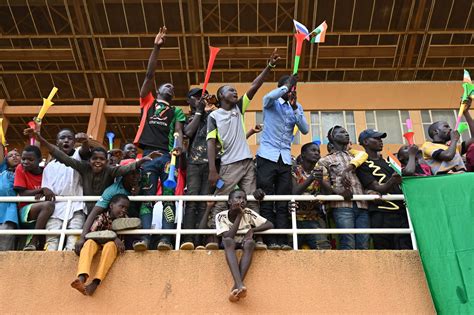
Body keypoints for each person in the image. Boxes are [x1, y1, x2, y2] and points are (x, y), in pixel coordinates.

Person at [206, 48, 280, 250]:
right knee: (221, 201)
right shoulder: (213, 116)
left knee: (252, 200)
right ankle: (215, 237)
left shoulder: (239, 108)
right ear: (221, 95)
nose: (235, 92)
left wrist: (269, 66)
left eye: (235, 91)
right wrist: (213, 169)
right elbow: (211, 143)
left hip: (247, 162)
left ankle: (255, 239)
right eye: (230, 90)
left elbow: (255, 86)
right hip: (229, 164)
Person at [133, 26, 186, 251]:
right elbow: (149, 74)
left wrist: (179, 148)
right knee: (146, 197)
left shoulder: (176, 111)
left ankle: (165, 238)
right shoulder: (148, 102)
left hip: (166, 158)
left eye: (173, 88)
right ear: (159, 89)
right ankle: (145, 238)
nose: (170, 87)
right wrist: (156, 47)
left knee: (168, 197)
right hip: (146, 156)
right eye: (167, 85)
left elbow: (180, 132)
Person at [24, 128, 157, 213]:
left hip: (105, 212)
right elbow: (61, 156)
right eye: (94, 158)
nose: (98, 161)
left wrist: (142, 160)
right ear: (89, 160)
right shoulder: (84, 167)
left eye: (102, 159)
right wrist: (40, 139)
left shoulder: (110, 170)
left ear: (106, 161)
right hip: (85, 211)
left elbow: (125, 168)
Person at [257, 74, 309, 250]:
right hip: (267, 156)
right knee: (266, 198)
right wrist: (286, 87)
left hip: (285, 159)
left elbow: (305, 129)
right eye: (289, 88)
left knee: (282, 200)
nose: (292, 92)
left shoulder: (297, 106)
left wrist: (295, 108)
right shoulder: (272, 102)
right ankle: (269, 240)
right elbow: (268, 97)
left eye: (294, 89)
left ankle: (282, 240)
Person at [356, 129, 412, 250]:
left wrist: (412, 155)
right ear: (365, 142)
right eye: (376, 139)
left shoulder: (389, 161)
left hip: (401, 212)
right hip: (381, 213)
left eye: (381, 139)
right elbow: (376, 188)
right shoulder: (363, 164)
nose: (380, 141)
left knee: (406, 250)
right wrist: (392, 180)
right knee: (385, 251)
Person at [216, 189, 273, 302]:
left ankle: (237, 287)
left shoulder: (248, 212)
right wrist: (239, 215)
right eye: (238, 198)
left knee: (251, 243)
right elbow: (229, 236)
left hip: (243, 242)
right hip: (229, 245)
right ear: (229, 201)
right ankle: (239, 284)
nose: (242, 201)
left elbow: (269, 224)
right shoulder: (220, 216)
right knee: (228, 241)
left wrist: (252, 230)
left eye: (244, 199)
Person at [317, 126, 370, 250]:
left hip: (362, 204)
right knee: (348, 242)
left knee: (364, 243)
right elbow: (324, 186)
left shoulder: (356, 158)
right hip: (341, 206)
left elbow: (366, 180)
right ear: (332, 137)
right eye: (341, 132)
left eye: (346, 132)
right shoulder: (324, 161)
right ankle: (348, 269)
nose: (346, 134)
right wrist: (338, 191)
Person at [76, 159, 142, 253]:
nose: (136, 176)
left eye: (138, 172)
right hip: (111, 232)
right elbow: (94, 213)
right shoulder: (112, 191)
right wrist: (82, 238)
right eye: (132, 173)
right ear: (124, 174)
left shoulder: (142, 183)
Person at [70, 194, 131, 296]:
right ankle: (81, 277)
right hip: (97, 243)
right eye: (121, 206)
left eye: (126, 208)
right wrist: (113, 237)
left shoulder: (126, 220)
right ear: (111, 206)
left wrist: (114, 240)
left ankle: (95, 282)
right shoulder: (102, 217)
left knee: (110, 246)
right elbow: (90, 235)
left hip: (111, 248)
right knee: (89, 243)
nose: (124, 210)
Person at [42, 129, 89, 251]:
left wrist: (85, 142)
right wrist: (45, 189)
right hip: (56, 208)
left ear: (74, 142)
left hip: (77, 206)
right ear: (57, 142)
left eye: (69, 138)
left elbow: (85, 151)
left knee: (73, 239)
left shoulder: (78, 155)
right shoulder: (49, 167)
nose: (66, 140)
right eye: (62, 138)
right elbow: (46, 187)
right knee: (52, 240)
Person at [14, 145, 56, 251]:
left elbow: (50, 192)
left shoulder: (47, 171)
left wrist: (41, 193)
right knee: (48, 205)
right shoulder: (20, 169)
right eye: (23, 159)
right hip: (24, 212)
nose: (25, 162)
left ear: (39, 160)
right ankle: (33, 240)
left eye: (30, 159)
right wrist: (41, 190)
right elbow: (23, 193)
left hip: (42, 213)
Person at [291, 143, 331, 250]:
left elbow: (329, 193)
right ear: (303, 154)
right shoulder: (294, 170)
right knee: (291, 249)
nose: (317, 153)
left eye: (318, 151)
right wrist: (311, 178)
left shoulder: (322, 170)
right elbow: (294, 192)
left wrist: (321, 181)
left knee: (324, 249)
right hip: (294, 219)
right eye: (313, 150)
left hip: (314, 219)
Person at [0, 145, 21, 251]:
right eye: (10, 156)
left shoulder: (25, 172)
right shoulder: (2, 171)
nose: (14, 157)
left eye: (17, 155)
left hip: (10, 211)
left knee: (5, 237)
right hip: (1, 206)